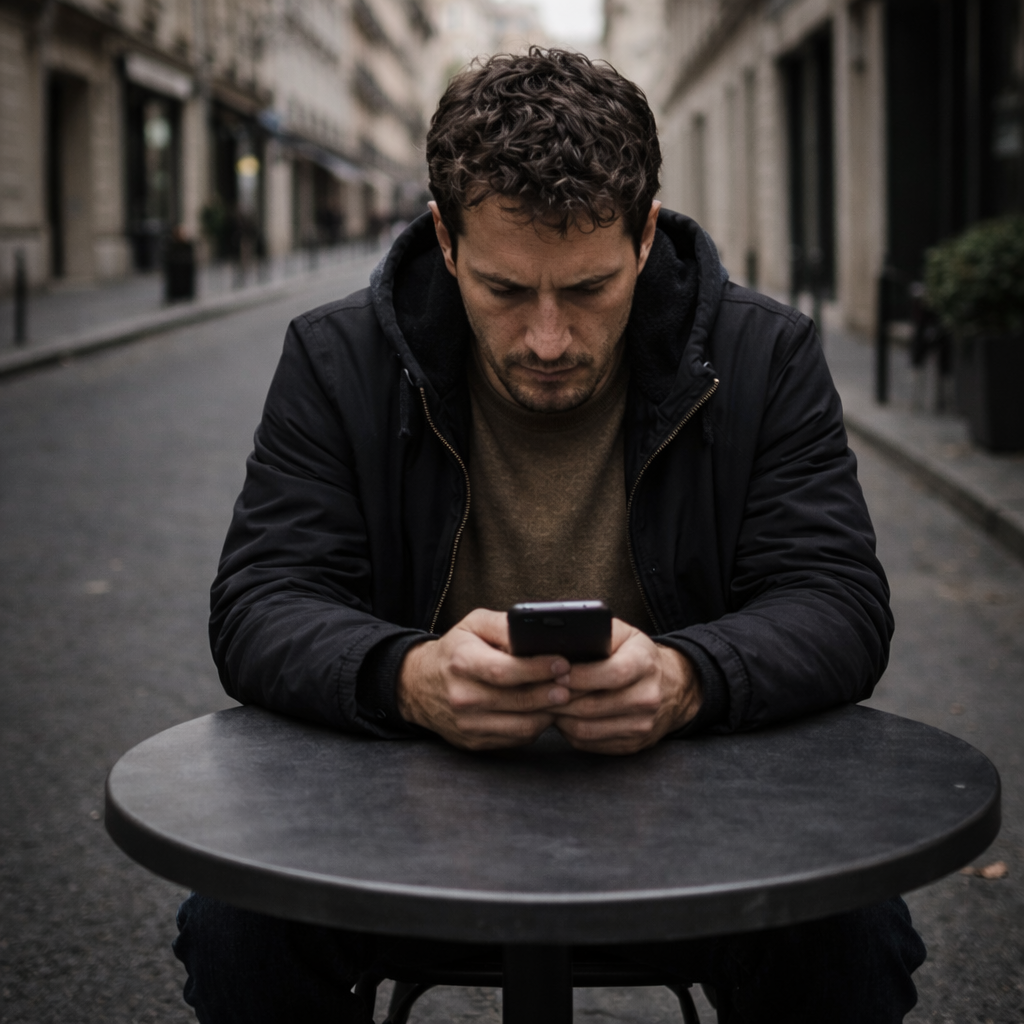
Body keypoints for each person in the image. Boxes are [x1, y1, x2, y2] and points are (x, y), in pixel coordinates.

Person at [174, 48, 925, 1023]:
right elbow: (260, 600)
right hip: (396, 822)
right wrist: (408, 677)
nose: (546, 339)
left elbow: (839, 601)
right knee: (236, 928)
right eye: (502, 289)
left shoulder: (760, 354)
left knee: (853, 937)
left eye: (586, 288)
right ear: (443, 240)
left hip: (704, 815)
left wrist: (688, 678)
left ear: (645, 234)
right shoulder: (338, 357)